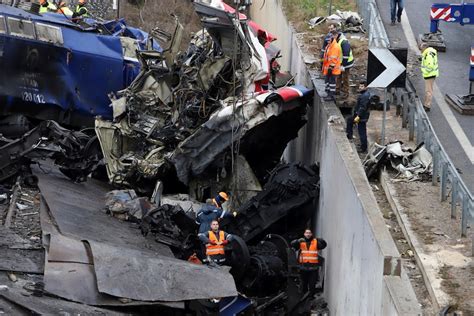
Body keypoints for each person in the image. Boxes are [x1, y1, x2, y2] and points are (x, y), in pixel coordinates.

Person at [291, 229, 327, 296]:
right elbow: (292, 244)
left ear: (311, 234)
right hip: (303, 268)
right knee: (304, 285)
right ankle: (304, 299)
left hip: (313, 269)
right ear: (304, 234)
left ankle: (310, 299)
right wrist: (297, 241)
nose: (308, 234)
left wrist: (319, 239)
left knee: (312, 285)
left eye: (309, 233)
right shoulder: (300, 242)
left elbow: (324, 245)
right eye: (306, 233)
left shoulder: (315, 242)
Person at [321, 24, 354, 98]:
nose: (332, 38)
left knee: (345, 77)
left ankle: (346, 93)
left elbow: (346, 55)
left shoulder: (343, 42)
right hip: (340, 62)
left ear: (336, 35)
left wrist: (343, 65)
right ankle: (337, 90)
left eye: (333, 37)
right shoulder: (336, 41)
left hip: (347, 62)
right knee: (338, 76)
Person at [346, 81, 375, 153]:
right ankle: (351, 136)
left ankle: (363, 148)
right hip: (362, 115)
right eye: (360, 86)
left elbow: (363, 107)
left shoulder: (364, 96)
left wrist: (358, 115)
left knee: (361, 131)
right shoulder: (364, 94)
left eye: (362, 86)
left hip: (362, 116)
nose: (360, 87)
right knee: (351, 121)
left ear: (366, 87)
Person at [322, 30, 342, 101]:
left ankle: (331, 96)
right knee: (328, 82)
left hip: (333, 69)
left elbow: (333, 59)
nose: (328, 41)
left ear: (332, 39)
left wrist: (330, 68)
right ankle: (328, 94)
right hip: (329, 68)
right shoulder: (329, 45)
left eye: (329, 40)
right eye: (327, 40)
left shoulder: (335, 47)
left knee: (332, 83)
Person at [419, 43, 439, 112]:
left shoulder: (428, 55)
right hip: (432, 74)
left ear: (424, 48)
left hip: (429, 74)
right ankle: (426, 104)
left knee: (428, 91)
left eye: (421, 49)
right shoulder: (430, 52)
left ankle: (427, 106)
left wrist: (424, 71)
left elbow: (429, 66)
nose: (421, 51)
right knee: (429, 90)